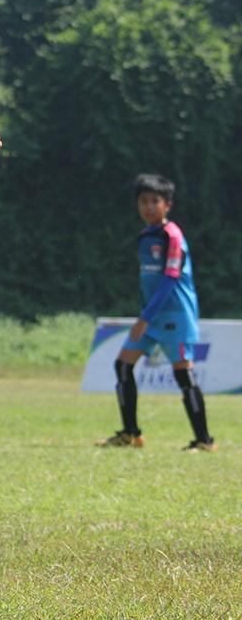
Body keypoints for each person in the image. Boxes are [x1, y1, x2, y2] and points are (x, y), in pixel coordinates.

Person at [97, 173, 214, 453]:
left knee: (184, 376)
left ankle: (204, 441)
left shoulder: (172, 235)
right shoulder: (144, 236)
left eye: (155, 201)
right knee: (123, 366)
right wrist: (146, 315)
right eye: (143, 201)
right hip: (150, 317)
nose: (148, 207)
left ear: (167, 205)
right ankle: (130, 434)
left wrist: (145, 317)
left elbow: (170, 280)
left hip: (175, 317)